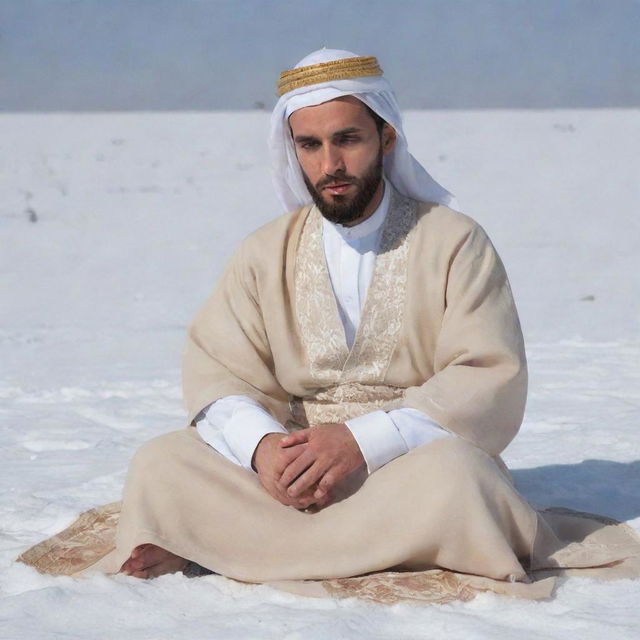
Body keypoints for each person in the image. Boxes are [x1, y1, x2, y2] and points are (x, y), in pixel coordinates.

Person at [19, 49, 640, 601]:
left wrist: (358, 442)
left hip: (407, 464)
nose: (330, 163)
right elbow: (220, 371)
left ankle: (221, 544)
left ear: (386, 138)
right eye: (309, 145)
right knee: (162, 462)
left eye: (348, 139)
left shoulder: (453, 242)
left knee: (460, 479)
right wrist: (266, 451)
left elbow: (488, 376)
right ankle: (344, 542)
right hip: (287, 467)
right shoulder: (266, 251)